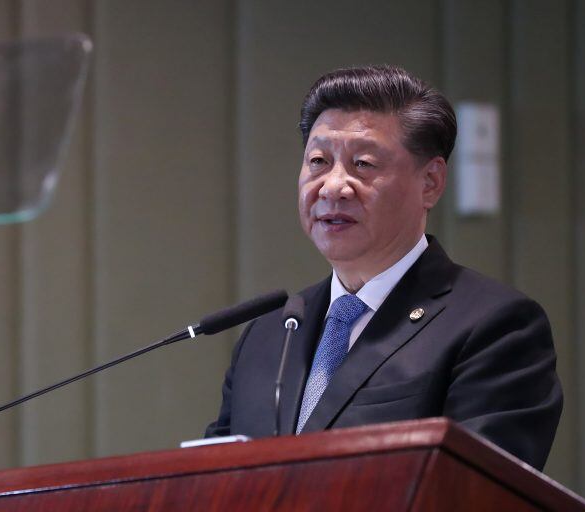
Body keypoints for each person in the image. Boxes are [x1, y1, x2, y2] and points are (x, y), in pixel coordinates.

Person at [205, 65, 562, 471]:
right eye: (319, 160)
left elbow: (474, 491)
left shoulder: (496, 326)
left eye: (363, 164)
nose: (334, 185)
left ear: (430, 182)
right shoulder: (269, 334)